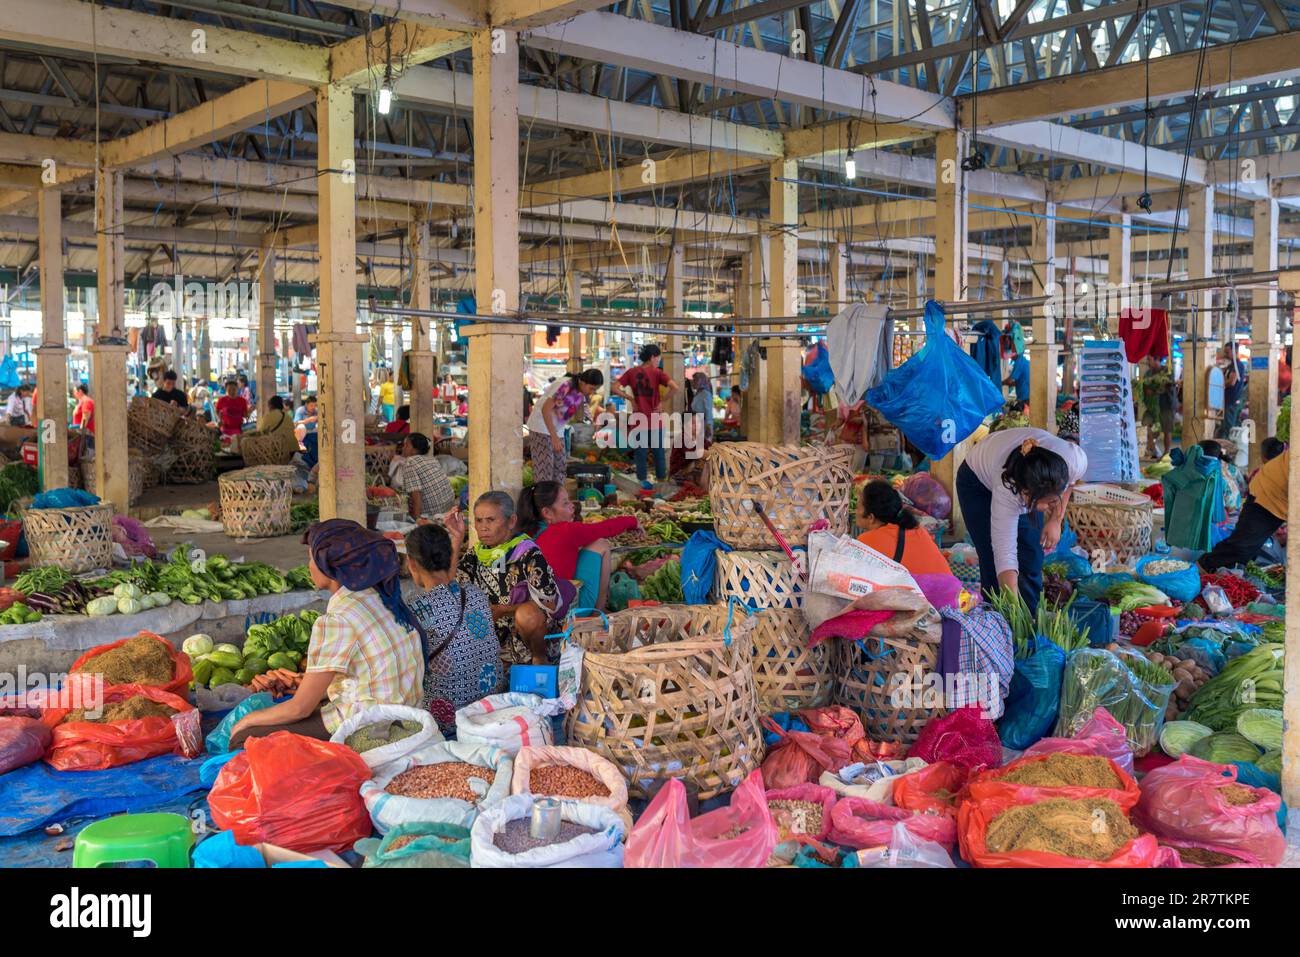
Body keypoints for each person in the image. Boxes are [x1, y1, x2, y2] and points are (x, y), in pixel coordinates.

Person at [227, 519, 425, 748]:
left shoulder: (338, 619)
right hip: (406, 715)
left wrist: (246, 721)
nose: (308, 565)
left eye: (311, 558)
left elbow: (300, 708)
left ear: (329, 566)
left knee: (244, 739)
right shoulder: (380, 595)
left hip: (371, 729)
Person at [956, 428, 1088, 614]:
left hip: (1029, 477)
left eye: (1049, 502)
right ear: (1024, 491)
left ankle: (1031, 619)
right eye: (1037, 503)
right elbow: (1005, 555)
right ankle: (999, 621)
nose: (1042, 509)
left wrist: (1055, 521)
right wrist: (1013, 609)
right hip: (976, 481)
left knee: (1031, 554)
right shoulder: (1008, 491)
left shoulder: (1073, 460)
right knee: (992, 561)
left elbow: (1070, 484)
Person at [446, 492, 567, 675]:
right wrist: (456, 538)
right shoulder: (477, 554)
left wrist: (504, 609)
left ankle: (540, 662)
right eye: (479, 521)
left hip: (529, 635)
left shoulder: (527, 553)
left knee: (527, 615)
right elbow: (449, 589)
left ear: (511, 521)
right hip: (492, 634)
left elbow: (549, 603)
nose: (483, 527)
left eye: (491, 520)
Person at [406, 523, 501, 733]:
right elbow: (448, 587)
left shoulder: (415, 608)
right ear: (450, 559)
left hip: (450, 718)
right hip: (489, 702)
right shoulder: (475, 593)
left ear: (411, 563)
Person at [518, 481, 638, 611]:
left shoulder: (526, 532)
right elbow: (606, 528)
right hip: (564, 611)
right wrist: (634, 521)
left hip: (532, 610)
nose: (572, 506)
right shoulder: (565, 531)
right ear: (547, 513)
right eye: (565, 503)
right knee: (601, 544)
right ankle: (597, 612)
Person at [1198, 450, 1289, 572]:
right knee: (1241, 547)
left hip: (1281, 498)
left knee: (1247, 547)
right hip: (1268, 495)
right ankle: (1201, 569)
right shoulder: (1224, 471)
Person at [613, 343, 680, 489]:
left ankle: (641, 486)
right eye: (657, 358)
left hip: (639, 421)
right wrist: (662, 401)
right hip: (655, 420)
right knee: (659, 455)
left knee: (641, 456)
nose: (658, 361)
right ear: (652, 357)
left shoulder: (631, 372)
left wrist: (630, 398)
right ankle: (662, 485)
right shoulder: (658, 373)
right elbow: (675, 387)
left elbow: (614, 387)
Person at [854, 480, 951, 577]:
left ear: (871, 517)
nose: (855, 511)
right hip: (953, 590)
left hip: (927, 591)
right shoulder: (917, 529)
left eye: (857, 507)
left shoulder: (866, 541)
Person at [526, 368, 604, 484]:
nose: (592, 392)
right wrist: (554, 436)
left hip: (556, 430)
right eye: (591, 388)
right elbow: (545, 409)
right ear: (583, 382)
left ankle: (558, 498)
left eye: (595, 389)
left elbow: (568, 414)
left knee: (560, 467)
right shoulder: (566, 385)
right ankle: (544, 500)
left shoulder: (579, 393)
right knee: (545, 471)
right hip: (541, 427)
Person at [396, 432, 455, 520]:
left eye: (406, 445)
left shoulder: (410, 462)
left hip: (432, 514)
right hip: (448, 507)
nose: (403, 448)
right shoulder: (431, 459)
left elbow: (416, 494)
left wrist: (417, 520)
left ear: (414, 450)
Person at [1139, 356, 1177, 458]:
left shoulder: (1167, 371)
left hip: (1167, 405)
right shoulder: (1148, 373)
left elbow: (1168, 387)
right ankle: (1153, 449)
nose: (1147, 362)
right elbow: (1144, 387)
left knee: (1166, 429)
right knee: (1146, 423)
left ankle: (1166, 453)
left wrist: (1155, 391)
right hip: (1152, 407)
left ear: (1157, 359)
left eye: (1149, 359)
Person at [1218, 344, 1247, 436]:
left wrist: (1219, 385)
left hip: (1232, 400)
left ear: (1235, 351)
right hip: (1229, 400)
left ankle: (1229, 449)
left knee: (1228, 428)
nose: (1226, 354)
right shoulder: (1231, 365)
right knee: (1227, 426)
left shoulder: (1237, 365)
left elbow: (1231, 381)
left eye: (1227, 352)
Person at [689, 371, 714, 443]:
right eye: (693, 380)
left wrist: (708, 426)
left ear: (701, 381)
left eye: (695, 380)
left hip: (704, 425)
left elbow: (709, 411)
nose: (693, 382)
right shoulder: (698, 394)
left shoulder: (706, 394)